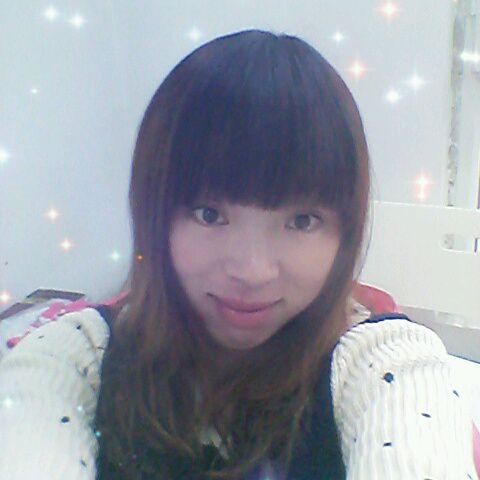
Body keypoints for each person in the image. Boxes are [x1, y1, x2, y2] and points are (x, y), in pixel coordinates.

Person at [0, 29, 477, 480]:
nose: (252, 271)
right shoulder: (74, 354)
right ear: (154, 212)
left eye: (302, 221)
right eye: (209, 214)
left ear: (345, 229)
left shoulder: (384, 362)